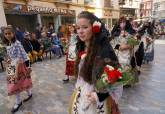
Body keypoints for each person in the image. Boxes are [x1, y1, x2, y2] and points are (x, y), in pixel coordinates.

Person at [69, 11, 122, 114]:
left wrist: (99, 96)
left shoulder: (103, 51)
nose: (80, 31)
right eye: (78, 28)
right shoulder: (81, 47)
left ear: (94, 28)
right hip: (82, 96)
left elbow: (117, 79)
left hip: (98, 102)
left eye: (84, 27)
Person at [2, 26, 32, 113]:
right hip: (11, 66)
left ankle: (26, 96)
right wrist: (7, 60)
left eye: (9, 33)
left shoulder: (17, 43)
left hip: (19, 65)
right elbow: (10, 55)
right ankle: (19, 101)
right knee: (14, 84)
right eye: (6, 34)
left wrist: (27, 67)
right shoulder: (7, 43)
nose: (7, 35)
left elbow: (20, 57)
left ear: (13, 34)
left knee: (21, 82)